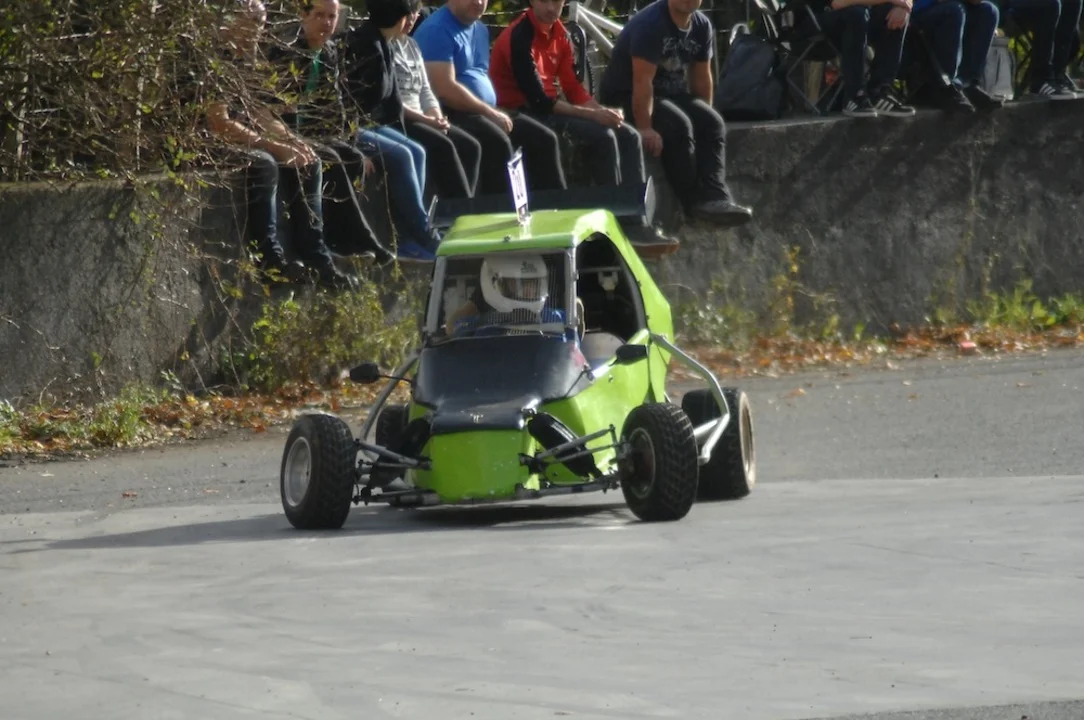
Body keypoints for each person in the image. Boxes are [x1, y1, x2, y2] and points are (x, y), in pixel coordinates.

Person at [487, 0, 680, 254]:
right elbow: (539, 101)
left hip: (549, 108)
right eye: (544, 1)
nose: (551, 8)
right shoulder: (519, 37)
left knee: (628, 135)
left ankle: (636, 222)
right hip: (522, 111)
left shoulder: (560, 34)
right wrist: (593, 116)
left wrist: (602, 112)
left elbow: (573, 88)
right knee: (603, 137)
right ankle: (612, 219)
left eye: (557, 1)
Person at [203, 0, 357, 289]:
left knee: (309, 159)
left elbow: (260, 112)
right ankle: (268, 260)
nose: (255, 33)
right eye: (250, 23)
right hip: (201, 143)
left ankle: (316, 256)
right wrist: (274, 146)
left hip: (237, 135)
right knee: (265, 162)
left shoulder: (247, 60)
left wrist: (291, 142)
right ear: (230, 22)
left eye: (260, 25)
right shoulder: (216, 60)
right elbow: (219, 123)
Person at [597, 0, 753, 227]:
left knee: (713, 123)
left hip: (669, 93)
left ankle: (716, 197)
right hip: (627, 95)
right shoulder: (651, 24)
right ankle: (694, 203)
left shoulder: (701, 26)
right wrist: (645, 128)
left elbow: (701, 77)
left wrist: (703, 117)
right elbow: (642, 82)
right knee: (678, 125)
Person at [266, 0, 397, 266]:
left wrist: (348, 142)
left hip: (314, 133)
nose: (327, 23)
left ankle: (342, 240)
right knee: (329, 158)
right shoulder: (286, 50)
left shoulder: (328, 51)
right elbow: (276, 109)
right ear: (303, 16)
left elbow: (334, 109)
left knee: (352, 157)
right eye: (320, 15)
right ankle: (357, 239)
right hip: (285, 133)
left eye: (332, 16)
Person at [412, 0, 569, 195]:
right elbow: (444, 89)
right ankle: (500, 209)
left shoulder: (480, 29)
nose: (479, 2)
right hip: (451, 111)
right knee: (498, 141)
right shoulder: (436, 30)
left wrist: (492, 111)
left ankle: (554, 206)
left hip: (484, 110)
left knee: (544, 138)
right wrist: (490, 112)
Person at [340, 0, 441, 261]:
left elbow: (391, 102)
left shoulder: (385, 43)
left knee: (416, 150)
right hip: (349, 127)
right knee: (402, 155)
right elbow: (348, 104)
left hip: (371, 124)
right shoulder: (365, 45)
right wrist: (355, 148)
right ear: (399, 17)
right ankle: (424, 232)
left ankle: (409, 238)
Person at [392, 1, 483, 201]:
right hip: (403, 118)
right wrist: (427, 120)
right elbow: (393, 100)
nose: (411, 18)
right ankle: (458, 209)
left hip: (424, 116)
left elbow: (425, 89)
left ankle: (469, 204)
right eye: (408, 13)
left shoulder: (411, 45)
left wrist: (436, 116)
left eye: (416, 13)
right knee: (444, 146)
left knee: (470, 146)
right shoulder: (386, 47)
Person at [802, 0, 917, 116]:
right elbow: (839, 3)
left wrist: (903, 7)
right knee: (856, 14)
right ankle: (855, 96)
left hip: (858, 22)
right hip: (816, 21)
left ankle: (879, 92)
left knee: (892, 12)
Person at [909, 0, 1006, 111]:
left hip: (956, 6)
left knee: (989, 10)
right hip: (921, 11)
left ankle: (967, 84)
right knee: (954, 10)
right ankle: (945, 87)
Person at [995, 0, 1082, 98]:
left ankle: (1058, 74)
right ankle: (1041, 80)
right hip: (1007, 5)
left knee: (1074, 2)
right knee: (1051, 3)